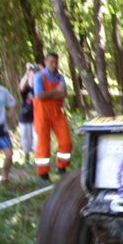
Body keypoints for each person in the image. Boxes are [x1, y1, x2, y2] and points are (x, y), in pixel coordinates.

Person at [33, 52, 72, 181]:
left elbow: (63, 94)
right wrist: (56, 92)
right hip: (42, 114)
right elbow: (40, 96)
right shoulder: (39, 76)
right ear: (45, 61)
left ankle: (62, 167)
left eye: (56, 62)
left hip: (57, 113)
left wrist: (49, 94)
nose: (54, 64)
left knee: (66, 141)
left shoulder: (60, 77)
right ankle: (43, 173)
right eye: (51, 62)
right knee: (43, 143)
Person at [18, 62, 38, 164]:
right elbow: (21, 86)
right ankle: (27, 160)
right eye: (31, 75)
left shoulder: (39, 89)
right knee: (26, 139)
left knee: (37, 140)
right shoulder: (26, 90)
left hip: (36, 118)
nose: (32, 77)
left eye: (34, 75)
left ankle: (37, 159)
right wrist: (27, 72)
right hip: (25, 118)